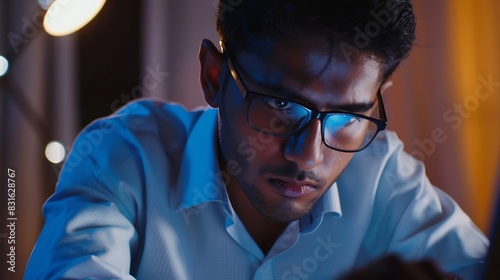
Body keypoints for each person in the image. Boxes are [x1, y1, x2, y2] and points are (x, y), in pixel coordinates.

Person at [25, 0, 489, 279]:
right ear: (213, 75)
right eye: (282, 106)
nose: (308, 155)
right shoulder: (121, 155)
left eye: (347, 115)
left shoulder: (384, 175)